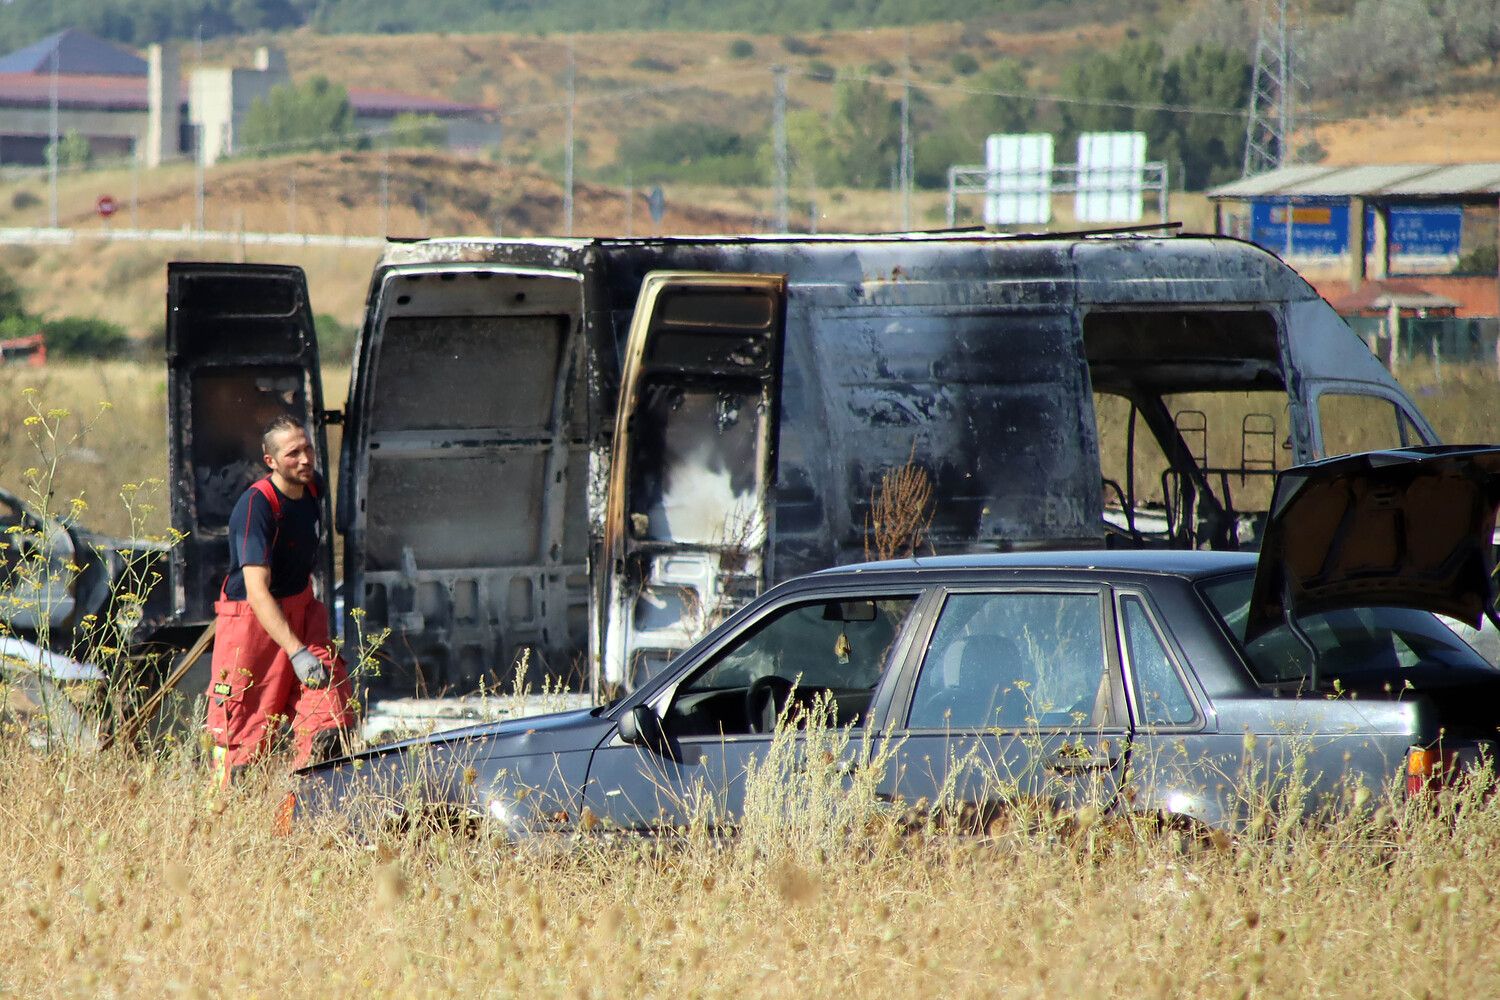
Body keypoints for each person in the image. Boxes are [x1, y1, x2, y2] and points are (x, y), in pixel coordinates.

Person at [205, 414, 352, 786]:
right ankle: (232, 820)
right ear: (270, 461)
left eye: (308, 449)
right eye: (292, 454)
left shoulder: (313, 487)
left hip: (303, 609)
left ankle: (306, 803)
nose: (305, 459)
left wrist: (306, 645)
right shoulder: (256, 507)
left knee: (330, 721)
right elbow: (257, 591)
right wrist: (296, 651)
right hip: (254, 624)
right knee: (245, 742)